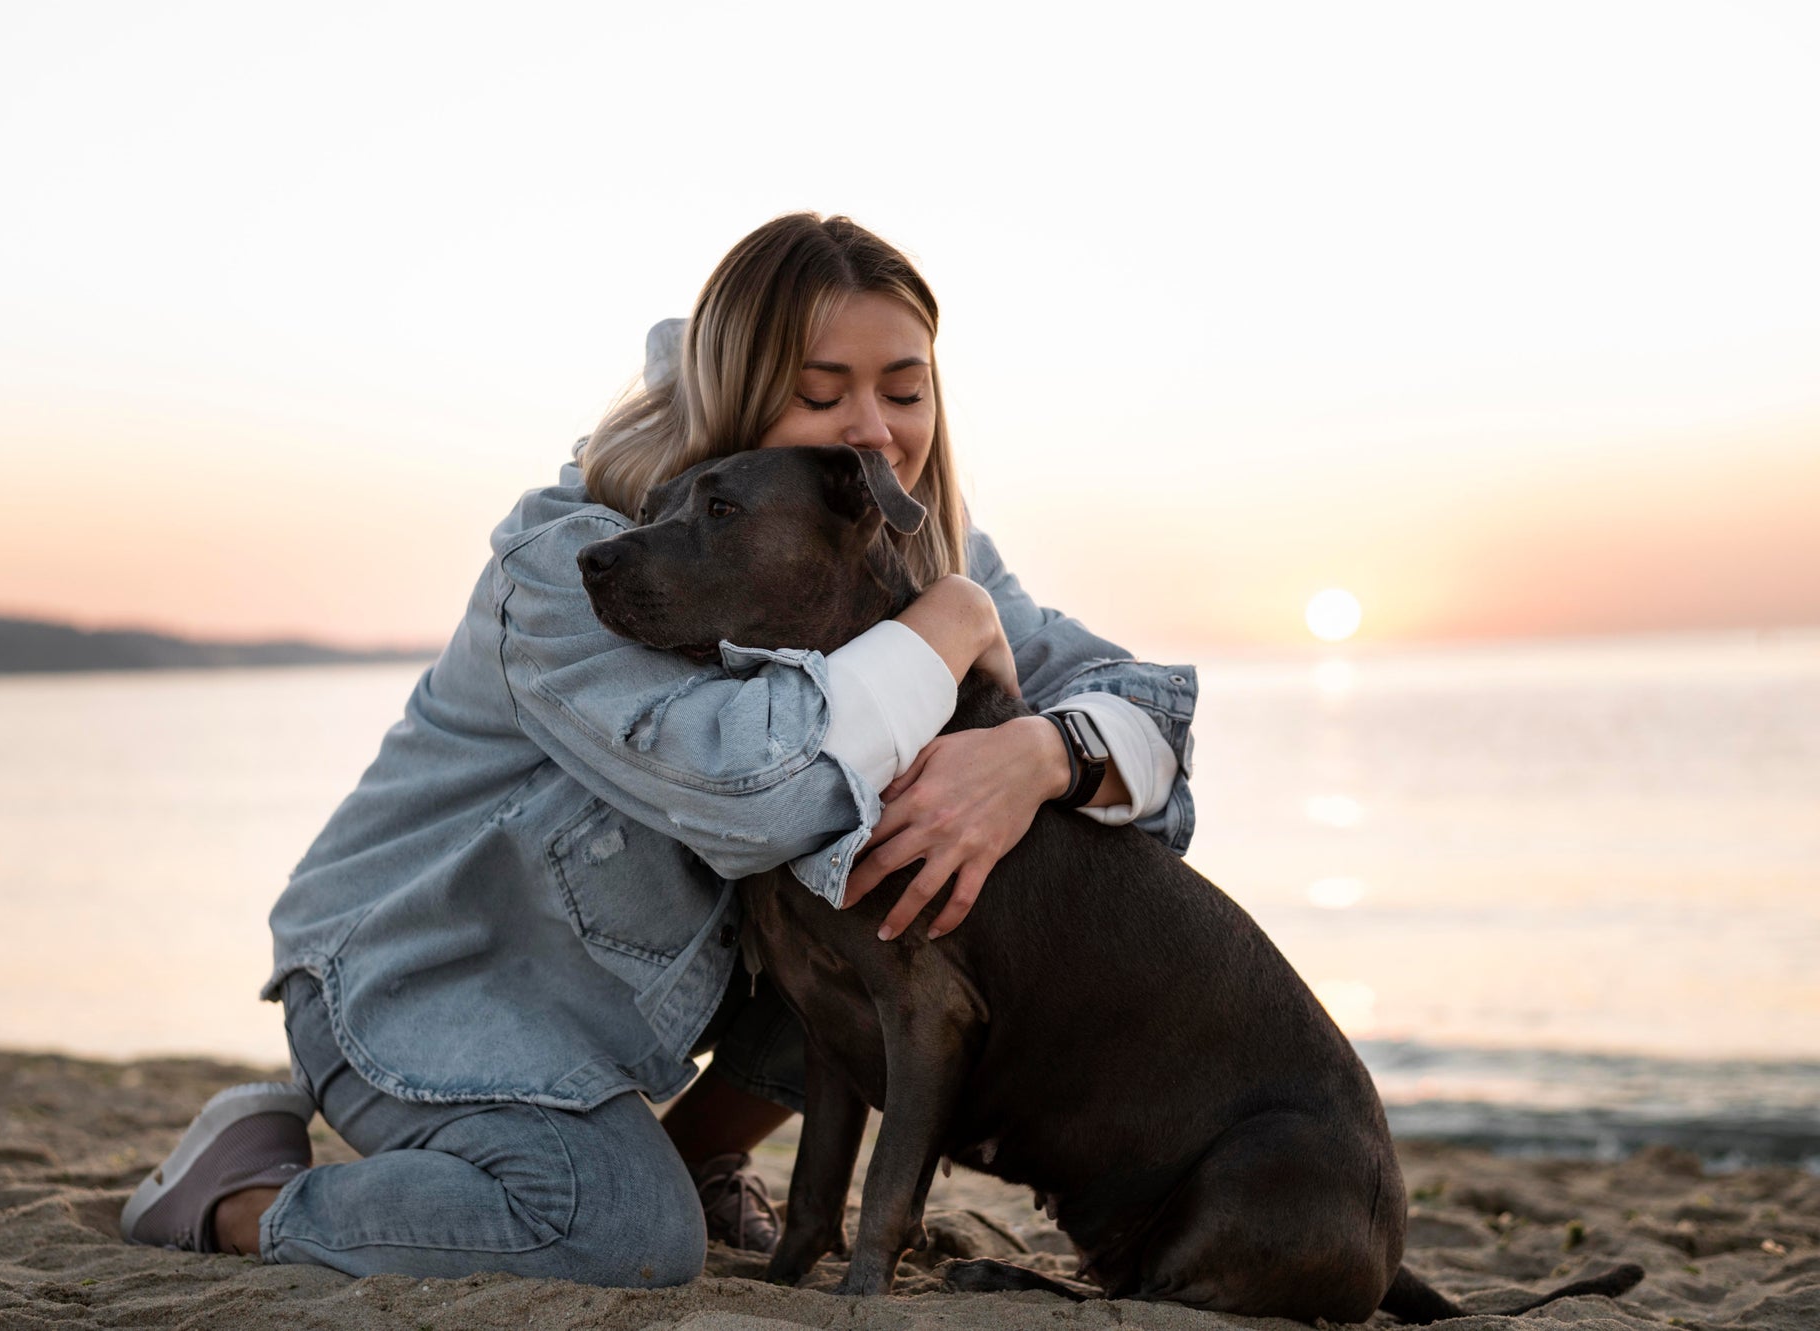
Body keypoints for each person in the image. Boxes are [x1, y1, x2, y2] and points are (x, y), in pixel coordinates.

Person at [120, 213, 1197, 1286]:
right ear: (732, 390)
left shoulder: (903, 536)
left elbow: (1142, 710)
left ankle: (692, 1155)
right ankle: (235, 1197)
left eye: (902, 390)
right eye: (819, 394)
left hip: (625, 1006)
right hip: (426, 978)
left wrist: (1041, 756)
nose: (871, 428)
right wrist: (949, 626)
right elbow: (759, 796)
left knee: (912, 877)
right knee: (614, 1233)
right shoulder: (574, 561)